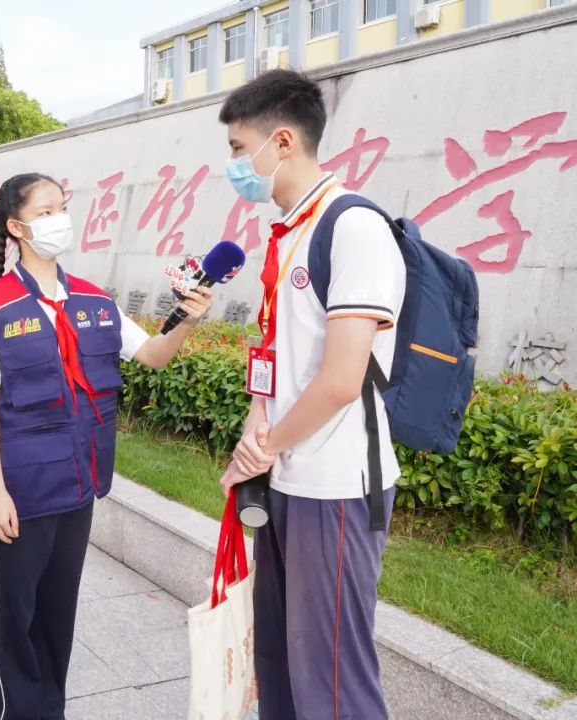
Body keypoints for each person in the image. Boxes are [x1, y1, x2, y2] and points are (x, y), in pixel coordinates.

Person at [0, 173, 213, 720]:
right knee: (15, 617)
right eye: (46, 210)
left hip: (78, 489)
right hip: (21, 496)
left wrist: (186, 319)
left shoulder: (94, 301)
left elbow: (155, 355)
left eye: (62, 206)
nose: (59, 218)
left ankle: (50, 711)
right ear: (17, 227)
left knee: (57, 615)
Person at [216, 70, 405, 720]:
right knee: (281, 666)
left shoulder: (353, 227)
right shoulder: (288, 230)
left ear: (285, 141)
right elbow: (276, 358)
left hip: (338, 486)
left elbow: (339, 380)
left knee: (333, 682)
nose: (236, 166)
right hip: (287, 479)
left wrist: (262, 450)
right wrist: (254, 429)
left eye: (241, 150)